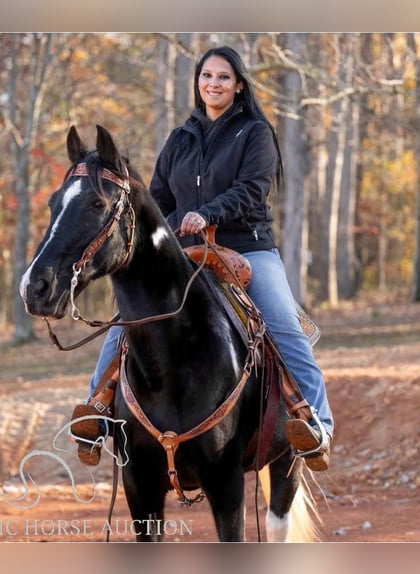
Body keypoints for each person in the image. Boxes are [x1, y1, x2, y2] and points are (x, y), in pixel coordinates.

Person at [71, 46, 334, 472]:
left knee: (285, 325)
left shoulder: (255, 133)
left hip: (247, 248)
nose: (214, 83)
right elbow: (157, 200)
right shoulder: (180, 138)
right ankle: (99, 408)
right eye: (207, 76)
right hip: (184, 253)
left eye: (224, 77)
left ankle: (319, 425)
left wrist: (208, 213)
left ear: (239, 85)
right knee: (128, 317)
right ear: (198, 83)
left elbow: (252, 189)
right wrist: (163, 229)